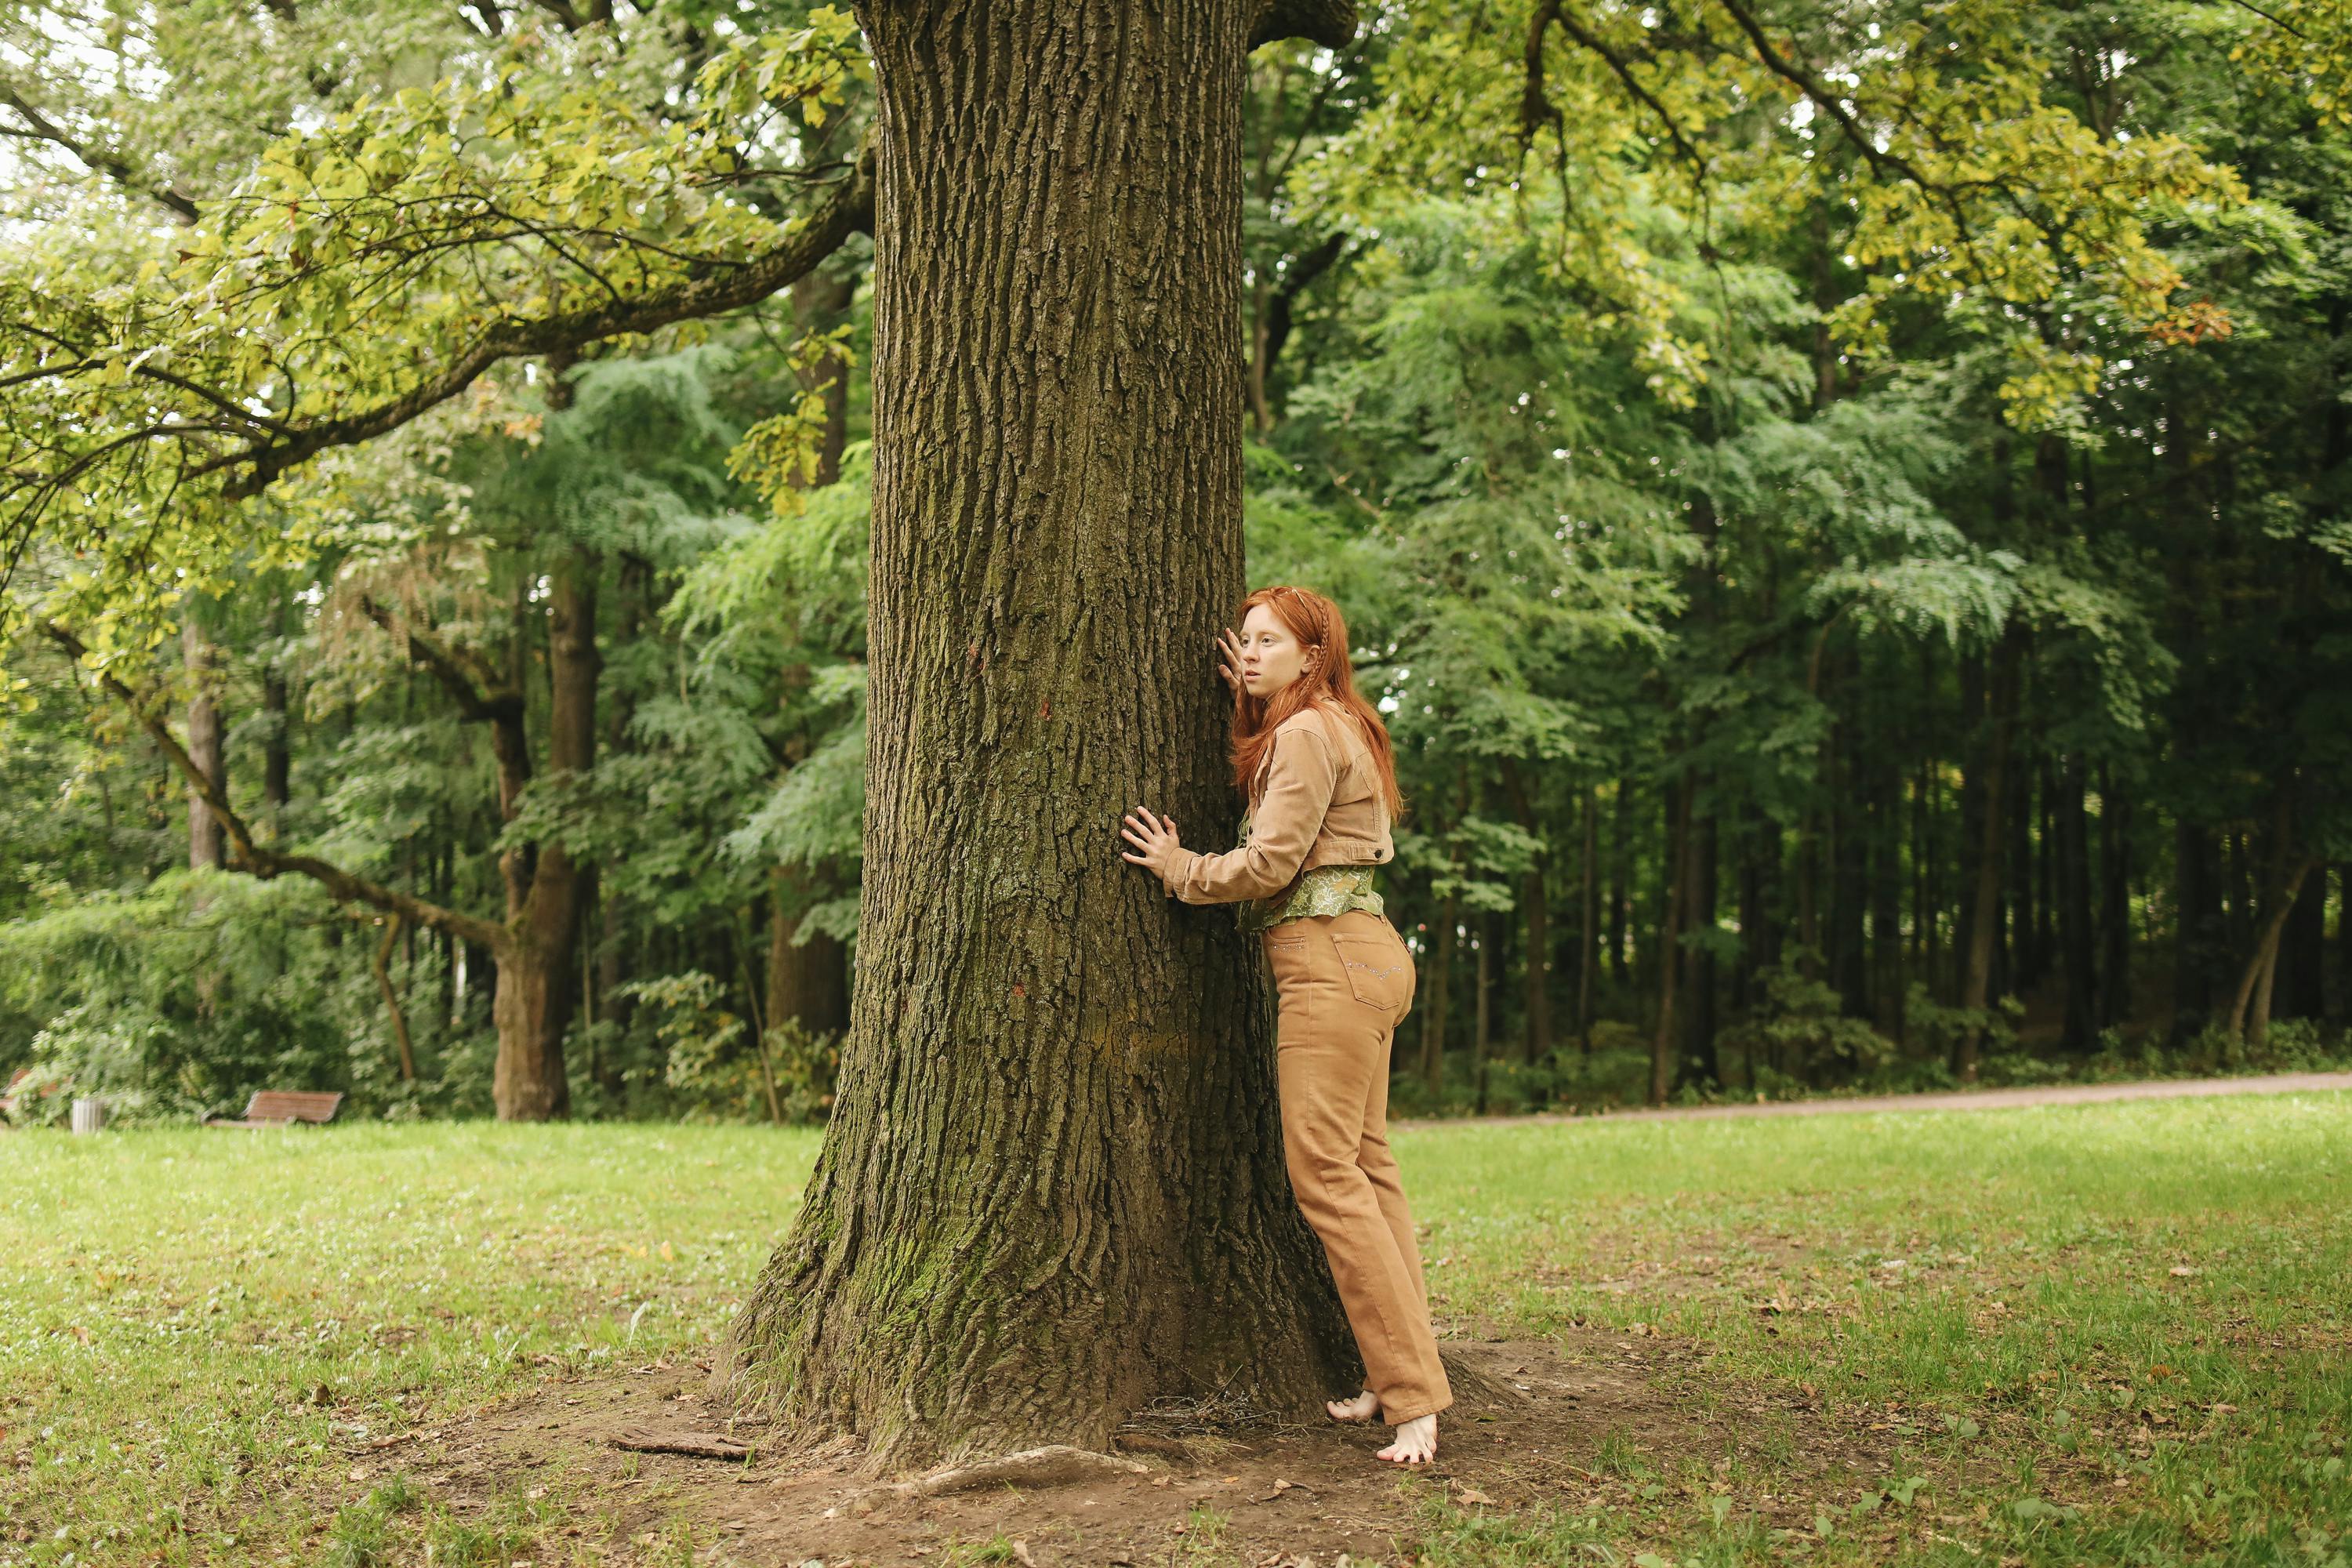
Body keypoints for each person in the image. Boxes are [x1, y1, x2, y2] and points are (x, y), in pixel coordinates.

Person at [1118, 583, 1451, 1466]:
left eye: (1273, 641)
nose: (1254, 651)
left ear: (1314, 655)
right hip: (1369, 955)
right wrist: (1249, 694)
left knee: (1328, 1180)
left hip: (1329, 966)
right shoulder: (1336, 720)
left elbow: (1270, 861)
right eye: (1248, 641)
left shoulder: (1305, 731)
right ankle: (1401, 1377)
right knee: (1369, 1173)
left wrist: (1179, 865)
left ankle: (1414, 1397)